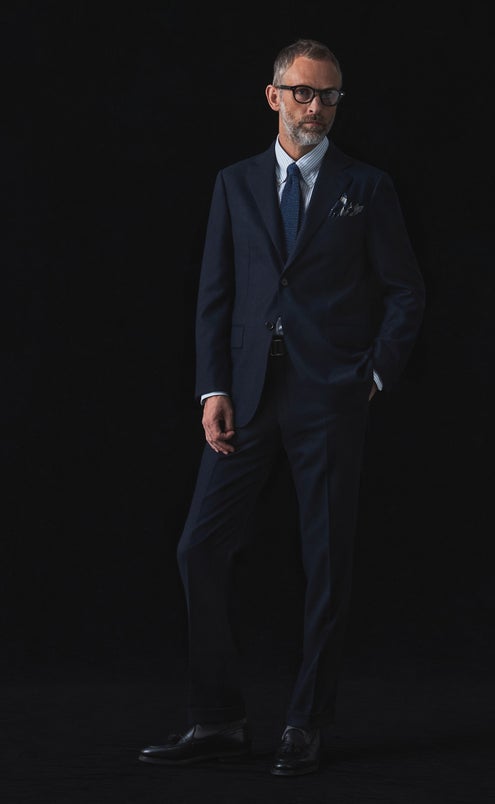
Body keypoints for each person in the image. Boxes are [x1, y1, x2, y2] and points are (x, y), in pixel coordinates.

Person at [138, 37, 425, 776]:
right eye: (302, 91)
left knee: (325, 562)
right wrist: (213, 387)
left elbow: (405, 290)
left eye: (328, 95)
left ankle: (306, 722)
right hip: (247, 395)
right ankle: (218, 721)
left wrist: (374, 375)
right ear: (273, 96)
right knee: (199, 548)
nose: (315, 106)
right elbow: (215, 295)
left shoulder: (367, 186)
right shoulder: (234, 183)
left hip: (330, 397)